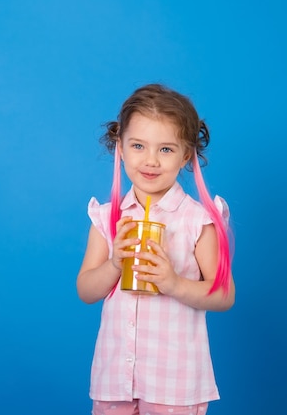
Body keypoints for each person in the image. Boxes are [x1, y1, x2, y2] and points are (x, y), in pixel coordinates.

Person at [77, 83, 235, 415]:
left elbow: (224, 295)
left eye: (165, 149)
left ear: (186, 155)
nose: (150, 161)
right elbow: (86, 290)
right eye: (138, 145)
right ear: (119, 147)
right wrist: (114, 265)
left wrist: (173, 283)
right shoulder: (107, 218)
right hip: (114, 380)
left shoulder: (198, 221)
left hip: (173, 385)